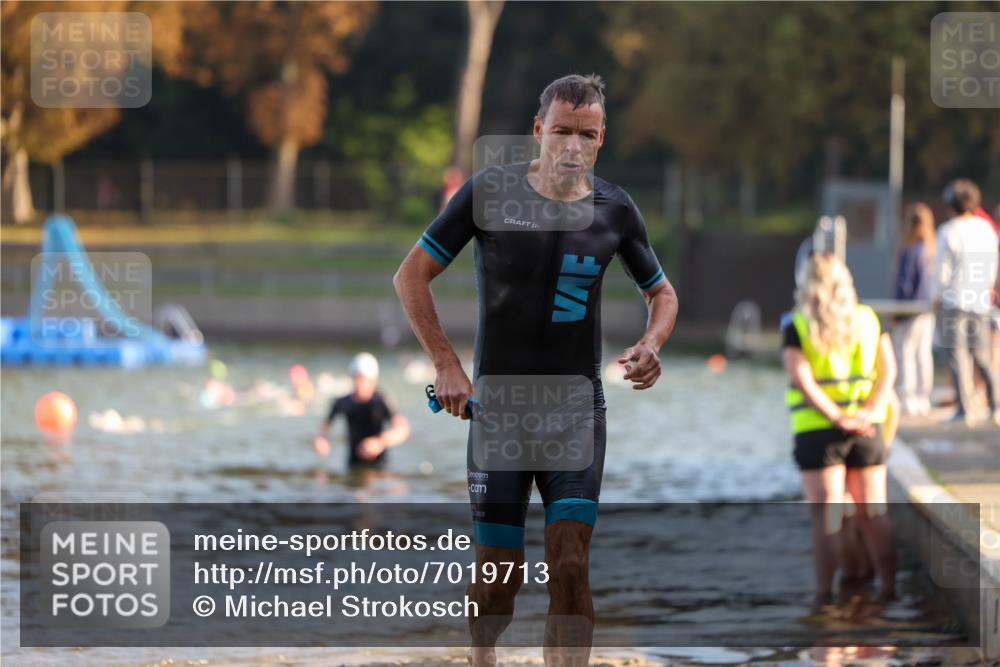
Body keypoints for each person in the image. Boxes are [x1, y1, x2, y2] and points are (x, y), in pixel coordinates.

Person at [393, 74, 678, 667]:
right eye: (561, 131)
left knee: (570, 562)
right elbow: (410, 275)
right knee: (499, 581)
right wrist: (446, 365)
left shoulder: (615, 211)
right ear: (538, 130)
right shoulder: (488, 193)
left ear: (602, 139)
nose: (572, 145)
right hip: (499, 412)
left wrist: (651, 343)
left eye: (587, 134)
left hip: (575, 411)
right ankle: (481, 656)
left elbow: (663, 294)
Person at [781, 253, 897, 608]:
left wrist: (835, 416)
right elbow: (889, 371)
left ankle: (824, 597)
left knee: (826, 518)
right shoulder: (868, 318)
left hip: (818, 431)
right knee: (873, 513)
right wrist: (870, 411)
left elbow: (800, 378)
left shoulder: (798, 324)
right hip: (866, 428)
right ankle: (890, 590)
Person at [930, 179, 1000, 427]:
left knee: (957, 357)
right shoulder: (986, 229)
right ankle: (995, 406)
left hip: (954, 300)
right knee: (982, 357)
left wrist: (934, 297)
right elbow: (992, 266)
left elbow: (942, 273)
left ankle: (964, 409)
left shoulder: (949, 231)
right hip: (980, 300)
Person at [313, 352, 411, 466]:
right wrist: (321, 439)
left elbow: (403, 429)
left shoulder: (381, 401)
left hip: (379, 464)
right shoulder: (343, 402)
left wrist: (380, 442)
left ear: (373, 381)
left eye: (364, 379)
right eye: (357, 378)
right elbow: (326, 423)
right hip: (353, 462)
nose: (360, 384)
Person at [892, 203, 936, 416]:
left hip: (910, 309)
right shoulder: (931, 250)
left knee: (905, 352)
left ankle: (907, 396)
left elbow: (904, 285)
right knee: (923, 353)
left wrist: (897, 314)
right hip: (928, 310)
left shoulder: (909, 251)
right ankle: (923, 397)